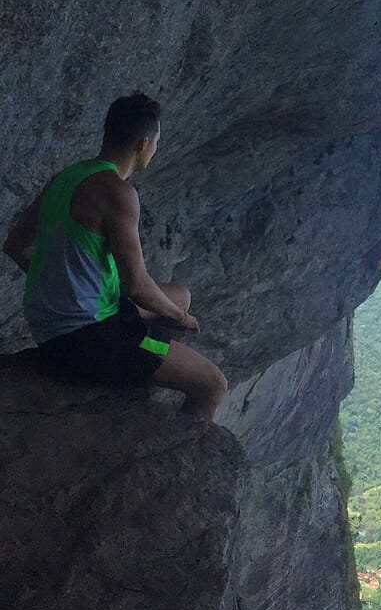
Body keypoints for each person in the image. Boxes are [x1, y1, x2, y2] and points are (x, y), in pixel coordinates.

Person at [3, 94, 227, 420]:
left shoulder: (67, 177)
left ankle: (149, 359)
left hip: (60, 321)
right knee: (213, 384)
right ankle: (172, 447)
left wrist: (59, 284)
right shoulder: (118, 193)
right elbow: (137, 285)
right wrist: (181, 320)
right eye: (156, 143)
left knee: (182, 295)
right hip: (88, 336)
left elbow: (14, 244)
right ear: (143, 143)